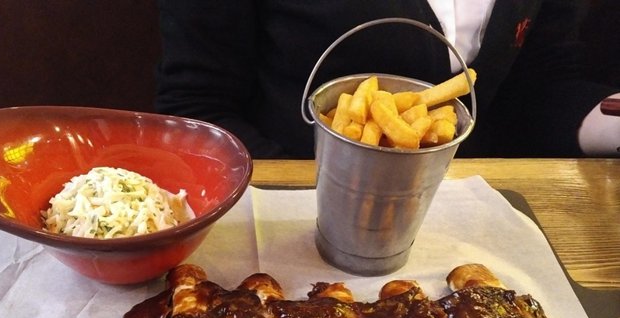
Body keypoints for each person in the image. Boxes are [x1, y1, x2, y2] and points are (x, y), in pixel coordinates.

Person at [154, 0, 620, 159]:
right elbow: (197, 109)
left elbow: (540, 86)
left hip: (476, 221)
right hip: (285, 224)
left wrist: (610, 124)